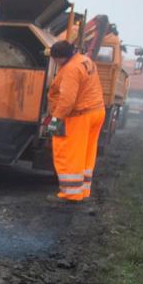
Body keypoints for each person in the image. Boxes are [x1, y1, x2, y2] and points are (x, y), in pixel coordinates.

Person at [46, 39, 106, 202]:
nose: (55, 63)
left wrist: (55, 120)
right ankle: (83, 190)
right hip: (96, 111)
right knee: (86, 152)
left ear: (61, 57)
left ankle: (71, 193)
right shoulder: (85, 60)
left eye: (55, 60)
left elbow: (67, 100)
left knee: (70, 153)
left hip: (80, 115)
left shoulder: (71, 69)